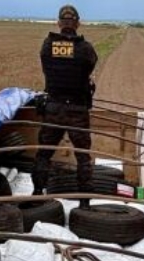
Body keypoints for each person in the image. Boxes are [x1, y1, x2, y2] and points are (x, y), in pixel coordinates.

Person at [32, 5, 98, 207]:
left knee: (44, 153)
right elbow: (89, 67)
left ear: (59, 23)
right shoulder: (85, 48)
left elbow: (46, 69)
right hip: (77, 110)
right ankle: (84, 204)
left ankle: (37, 194)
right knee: (82, 157)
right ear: (77, 23)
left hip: (53, 108)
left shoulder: (47, 45)